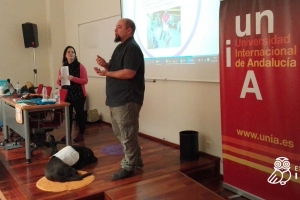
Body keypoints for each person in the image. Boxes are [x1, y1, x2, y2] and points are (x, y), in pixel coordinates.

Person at [94, 18, 145, 180]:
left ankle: (128, 166)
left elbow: (129, 73)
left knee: (127, 133)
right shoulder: (120, 48)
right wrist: (106, 66)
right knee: (121, 132)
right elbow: (117, 68)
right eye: (116, 27)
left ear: (129, 30)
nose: (115, 30)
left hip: (127, 99)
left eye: (119, 27)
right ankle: (136, 160)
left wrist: (107, 73)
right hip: (116, 98)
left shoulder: (132, 48)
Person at [57, 46, 88, 143]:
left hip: (78, 94)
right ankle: (68, 134)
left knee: (80, 115)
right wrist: (59, 79)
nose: (71, 53)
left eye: (73, 52)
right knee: (68, 115)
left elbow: (85, 80)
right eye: (68, 52)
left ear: (75, 55)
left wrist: (73, 78)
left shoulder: (80, 66)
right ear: (65, 55)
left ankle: (81, 134)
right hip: (67, 95)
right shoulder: (62, 68)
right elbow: (59, 83)